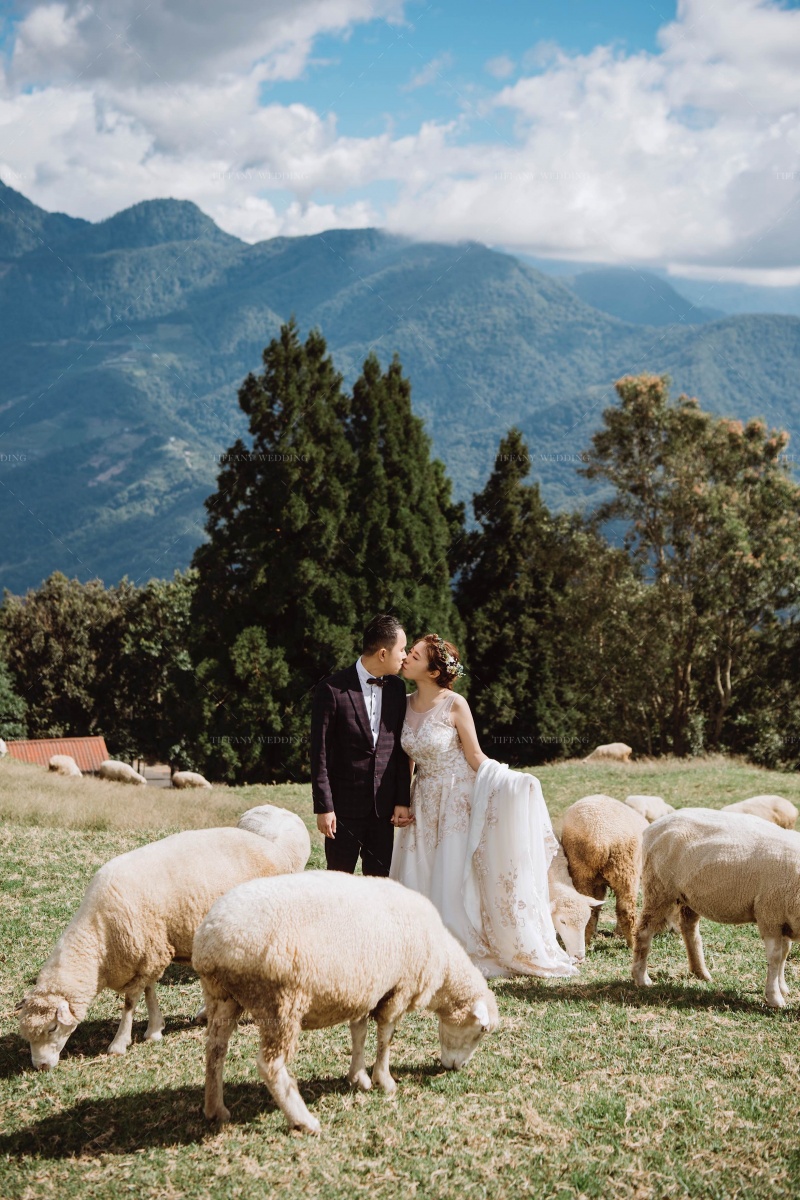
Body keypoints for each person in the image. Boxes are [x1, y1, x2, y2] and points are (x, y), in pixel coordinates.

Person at [390, 634, 576, 979]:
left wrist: (511, 781)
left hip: (457, 798)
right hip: (423, 799)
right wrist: (402, 799)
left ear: (433, 671)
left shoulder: (455, 704)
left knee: (451, 870)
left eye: (414, 656)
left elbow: (474, 755)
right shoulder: (402, 702)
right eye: (409, 653)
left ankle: (458, 943)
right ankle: (421, 942)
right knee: (422, 867)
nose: (405, 658)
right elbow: (406, 759)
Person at [310, 614, 410, 876]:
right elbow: (319, 754)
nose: (405, 656)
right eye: (402, 649)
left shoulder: (398, 689)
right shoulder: (331, 689)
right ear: (382, 653)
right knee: (337, 882)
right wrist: (324, 807)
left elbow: (400, 749)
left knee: (379, 884)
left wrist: (402, 800)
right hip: (343, 811)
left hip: (383, 810)